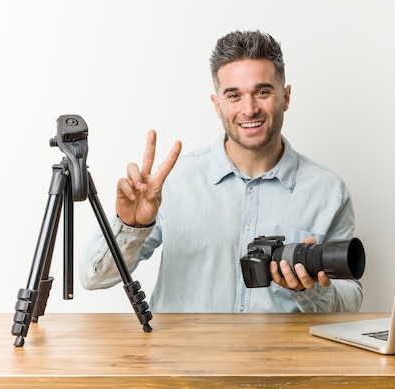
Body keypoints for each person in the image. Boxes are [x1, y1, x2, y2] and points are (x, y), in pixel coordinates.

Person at [80, 30, 363, 313]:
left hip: (280, 358)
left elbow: (351, 301)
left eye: (262, 92)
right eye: (234, 95)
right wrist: (131, 227)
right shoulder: (174, 182)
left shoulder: (328, 191)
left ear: (286, 97)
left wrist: (310, 291)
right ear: (217, 105)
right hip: (184, 356)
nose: (249, 109)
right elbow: (93, 278)